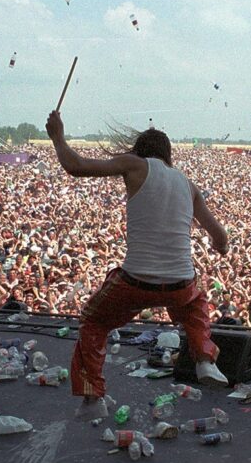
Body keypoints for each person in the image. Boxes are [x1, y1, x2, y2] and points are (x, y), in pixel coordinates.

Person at [45, 110, 230, 420]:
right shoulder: (188, 184)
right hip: (179, 285)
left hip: (135, 282)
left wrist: (58, 137)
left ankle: (93, 398)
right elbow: (220, 235)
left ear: (141, 152)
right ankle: (205, 359)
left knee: (93, 320)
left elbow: (76, 166)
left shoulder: (135, 165)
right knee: (195, 304)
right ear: (168, 155)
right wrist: (220, 246)